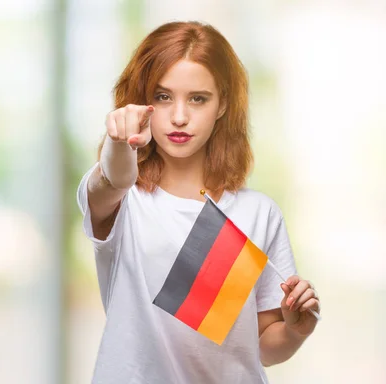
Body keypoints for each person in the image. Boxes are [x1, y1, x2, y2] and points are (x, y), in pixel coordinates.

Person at [76, 21, 320, 383]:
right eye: (162, 97)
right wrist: (119, 141)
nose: (179, 116)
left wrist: (296, 330)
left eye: (197, 98)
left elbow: (263, 347)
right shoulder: (125, 201)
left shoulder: (258, 213)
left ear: (222, 104)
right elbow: (114, 179)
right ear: (142, 100)